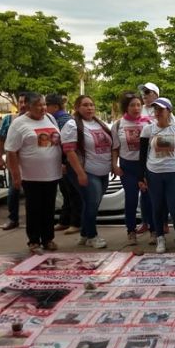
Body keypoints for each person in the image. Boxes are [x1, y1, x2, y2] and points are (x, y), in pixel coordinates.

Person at [4, 92, 62, 253]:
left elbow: (57, 143)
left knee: (49, 209)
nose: (43, 108)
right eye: (38, 105)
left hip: (52, 173)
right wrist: (16, 175)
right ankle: (34, 241)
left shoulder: (50, 118)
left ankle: (48, 239)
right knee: (34, 209)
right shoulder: (19, 124)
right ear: (28, 106)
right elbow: (11, 152)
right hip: (31, 176)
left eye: (44, 104)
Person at [139, 97, 175, 253]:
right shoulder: (148, 130)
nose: (158, 112)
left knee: (174, 207)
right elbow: (142, 155)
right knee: (157, 207)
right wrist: (140, 176)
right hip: (154, 173)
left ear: (169, 111)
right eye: (155, 109)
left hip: (173, 173)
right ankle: (160, 238)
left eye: (161, 109)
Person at [61, 95, 115, 249]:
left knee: (92, 204)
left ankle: (84, 233)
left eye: (92, 104)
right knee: (91, 203)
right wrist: (80, 173)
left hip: (102, 171)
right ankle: (92, 236)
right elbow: (69, 151)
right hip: (86, 171)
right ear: (77, 107)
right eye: (85, 105)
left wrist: (111, 165)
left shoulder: (99, 123)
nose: (90, 108)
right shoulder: (72, 125)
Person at [111, 92, 155, 244]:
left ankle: (153, 230)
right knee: (130, 199)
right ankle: (131, 231)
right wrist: (114, 165)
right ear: (125, 107)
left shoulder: (148, 123)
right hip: (127, 167)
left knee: (149, 198)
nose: (136, 108)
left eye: (138, 105)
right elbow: (115, 148)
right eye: (132, 105)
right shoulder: (118, 125)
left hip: (146, 166)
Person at [47, 93, 82, 234]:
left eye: (46, 105)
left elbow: (65, 144)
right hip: (60, 162)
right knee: (66, 193)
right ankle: (64, 220)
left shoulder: (63, 121)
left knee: (73, 193)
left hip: (67, 162)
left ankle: (75, 222)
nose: (45, 108)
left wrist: (63, 162)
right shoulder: (55, 119)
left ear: (55, 106)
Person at [0, 92, 28, 231]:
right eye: (20, 102)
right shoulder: (10, 119)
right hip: (14, 162)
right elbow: (0, 140)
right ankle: (13, 218)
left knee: (33, 193)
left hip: (34, 164)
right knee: (14, 191)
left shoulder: (40, 119)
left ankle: (35, 221)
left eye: (24, 102)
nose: (22, 105)